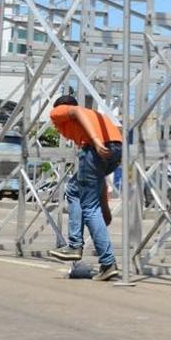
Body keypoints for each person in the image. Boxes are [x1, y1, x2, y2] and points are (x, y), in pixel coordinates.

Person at [47, 94, 124, 282]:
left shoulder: (60, 111)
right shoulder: (94, 117)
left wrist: (96, 141)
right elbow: (97, 178)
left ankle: (77, 246)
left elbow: (76, 110)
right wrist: (105, 205)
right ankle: (107, 265)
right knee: (75, 190)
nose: (57, 128)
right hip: (116, 150)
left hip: (94, 148)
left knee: (87, 206)